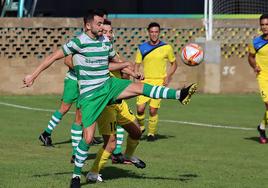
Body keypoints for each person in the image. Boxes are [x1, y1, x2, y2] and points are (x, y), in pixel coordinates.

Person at [22, 9, 197, 188]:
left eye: (103, 23)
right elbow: (53, 57)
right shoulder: (78, 42)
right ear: (88, 25)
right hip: (90, 96)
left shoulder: (105, 42)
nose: (102, 26)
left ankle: (178, 94)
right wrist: (33, 76)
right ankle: (76, 176)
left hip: (108, 85)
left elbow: (113, 62)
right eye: (99, 23)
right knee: (88, 138)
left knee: (140, 89)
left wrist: (133, 72)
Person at [86, 19, 143, 183]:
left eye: (111, 32)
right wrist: (128, 68)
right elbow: (111, 66)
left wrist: (131, 73)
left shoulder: (112, 51)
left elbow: (121, 67)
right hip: (106, 104)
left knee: (136, 132)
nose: (109, 35)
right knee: (110, 143)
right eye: (106, 32)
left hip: (120, 103)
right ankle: (93, 172)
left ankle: (127, 156)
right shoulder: (97, 51)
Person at [135, 22, 178, 141]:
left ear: (159, 33)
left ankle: (151, 134)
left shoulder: (166, 47)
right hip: (145, 82)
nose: (154, 34)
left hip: (159, 82)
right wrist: (137, 74)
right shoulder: (142, 48)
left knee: (153, 109)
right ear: (148, 32)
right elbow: (136, 66)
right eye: (152, 32)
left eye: (156, 32)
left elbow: (174, 64)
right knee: (140, 108)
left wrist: (168, 76)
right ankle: (142, 127)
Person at [248, 14, 268, 144]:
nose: (265, 27)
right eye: (262, 25)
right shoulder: (255, 42)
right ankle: (261, 129)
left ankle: (261, 128)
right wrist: (255, 66)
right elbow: (250, 57)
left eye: (267, 24)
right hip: (263, 78)